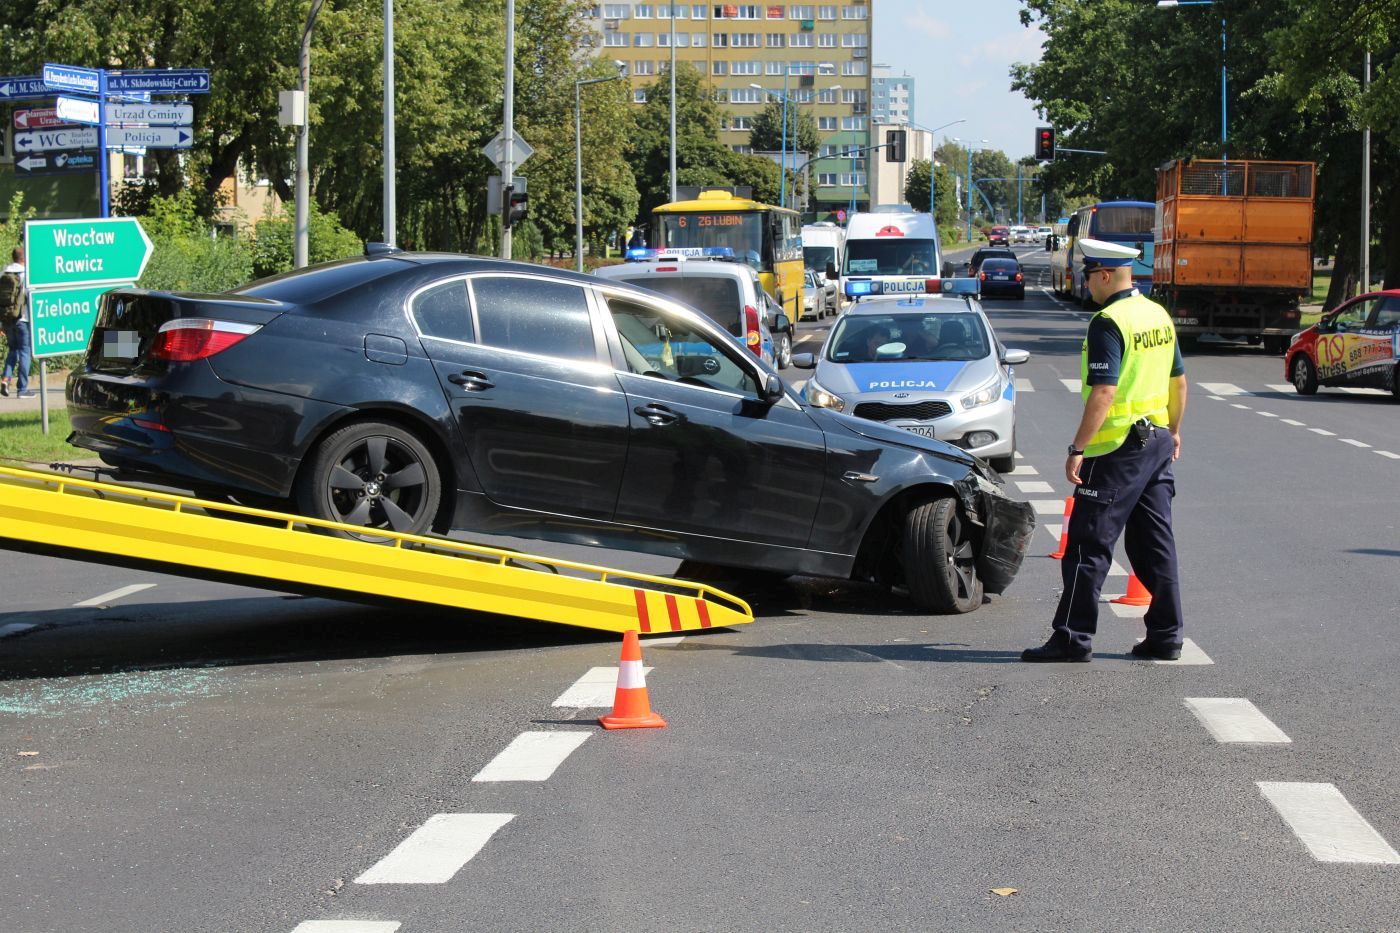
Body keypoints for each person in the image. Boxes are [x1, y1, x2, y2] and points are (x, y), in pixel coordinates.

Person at [1022, 238, 1188, 663]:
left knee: (1087, 545)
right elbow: (1179, 382)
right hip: (1156, 442)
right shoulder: (1157, 315)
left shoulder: (1108, 321)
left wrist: (1078, 447)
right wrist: (1174, 430)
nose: (1086, 284)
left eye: (1089, 275)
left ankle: (1072, 638)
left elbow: (1105, 390)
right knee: (1155, 544)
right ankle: (1166, 636)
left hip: (1116, 446)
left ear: (1106, 275)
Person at [1, 246, 34, 399]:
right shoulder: (26, 275)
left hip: (7, 319)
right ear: (23, 259)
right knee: (25, 351)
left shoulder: (4, 272)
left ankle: (5, 379)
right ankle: (22, 389)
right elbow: (31, 297)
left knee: (13, 349)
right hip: (23, 319)